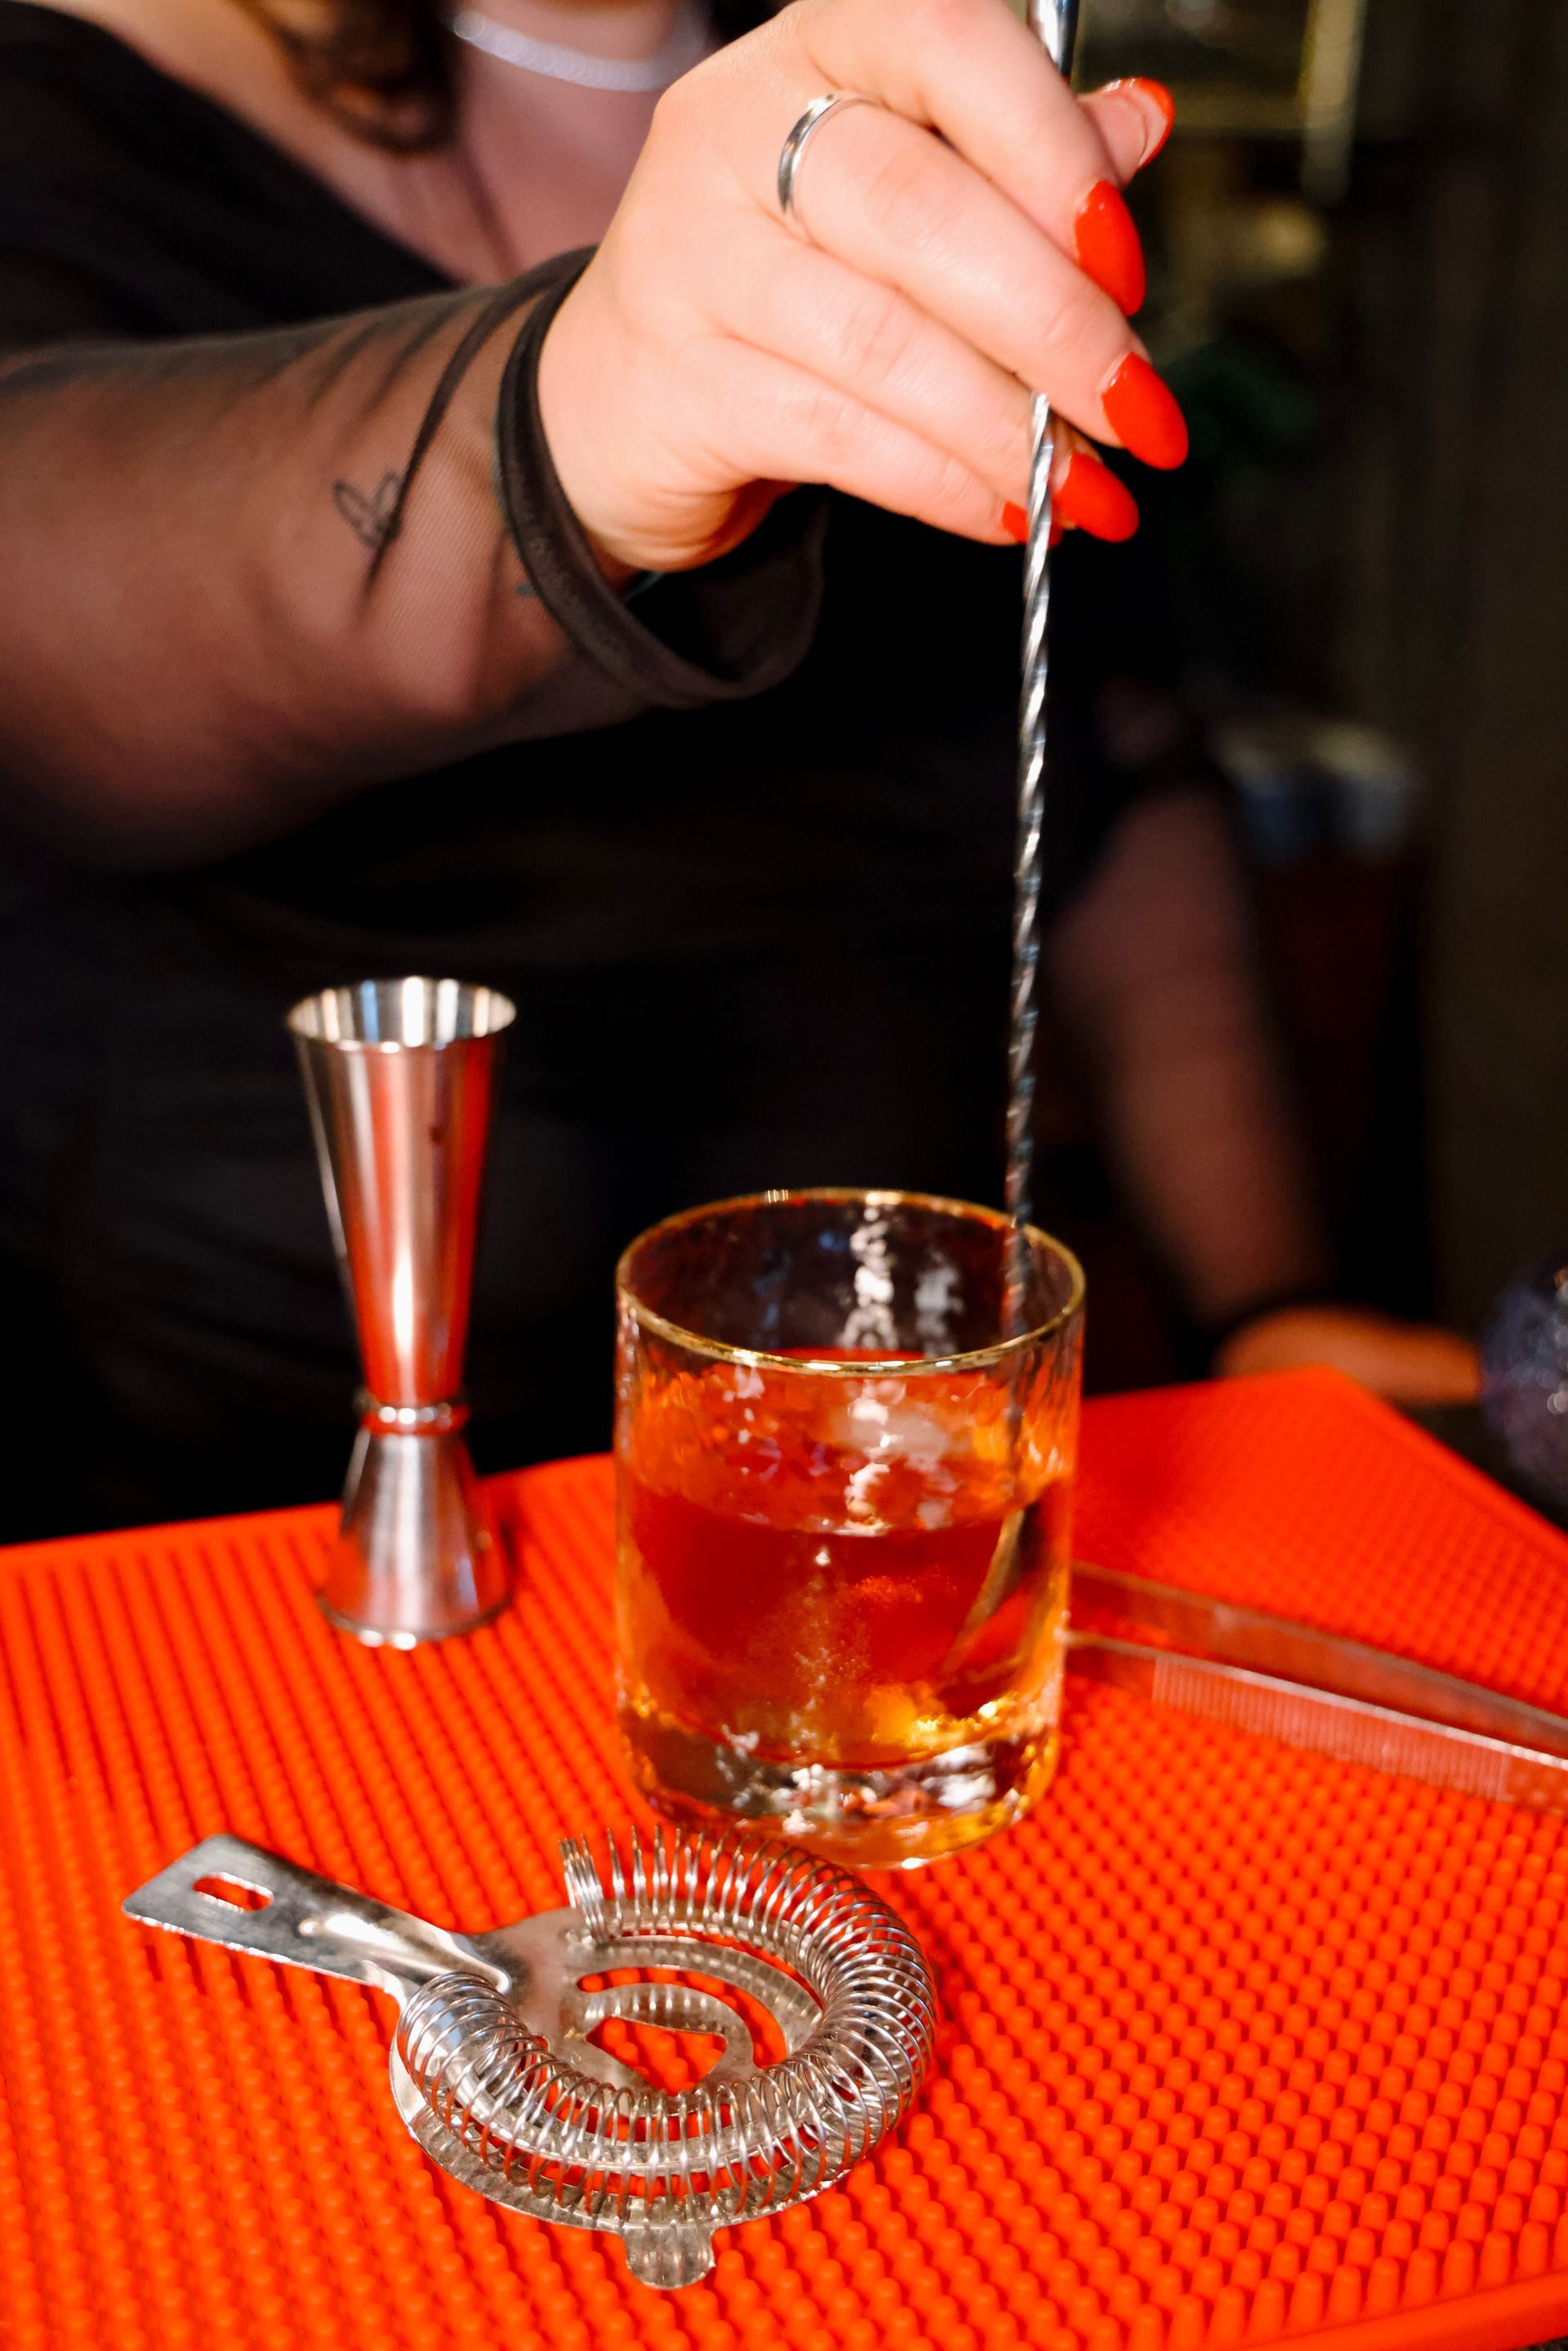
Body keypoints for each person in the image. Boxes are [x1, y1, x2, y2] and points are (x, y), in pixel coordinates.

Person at [0, 0, 1472, 1540]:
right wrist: (575, 410)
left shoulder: (927, 105)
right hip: (254, 1515)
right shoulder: (98, 82)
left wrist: (1271, 1304)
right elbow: (49, 618)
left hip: (864, 1475)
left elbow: (1099, 774)